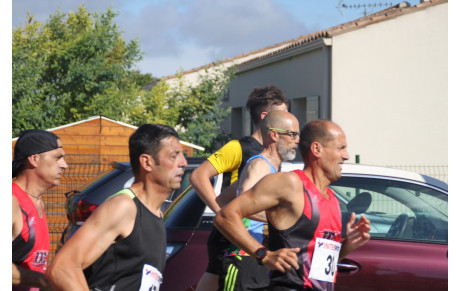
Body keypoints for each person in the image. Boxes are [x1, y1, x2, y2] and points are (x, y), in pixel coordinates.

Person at [214, 120, 371, 290]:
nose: (346, 156)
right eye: (340, 148)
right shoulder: (290, 183)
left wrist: (347, 246)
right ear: (317, 149)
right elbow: (225, 216)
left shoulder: (332, 198)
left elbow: (315, 267)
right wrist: (263, 254)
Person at [46, 124, 188, 291]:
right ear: (147, 162)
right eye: (174, 156)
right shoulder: (123, 207)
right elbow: (62, 268)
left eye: (182, 156)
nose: (184, 163)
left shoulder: (156, 213)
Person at [190, 84, 289, 291]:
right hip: (233, 241)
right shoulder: (240, 148)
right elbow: (198, 176)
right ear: (265, 117)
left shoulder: (272, 155)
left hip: (247, 241)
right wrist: (224, 215)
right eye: (283, 114)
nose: (288, 122)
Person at [218, 111, 299, 291]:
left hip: (259, 257)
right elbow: (243, 206)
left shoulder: (267, 168)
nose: (297, 140)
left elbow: (222, 200)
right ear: (274, 135)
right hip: (245, 258)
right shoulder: (260, 165)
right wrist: (285, 221)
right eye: (292, 134)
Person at [12, 129, 68, 291]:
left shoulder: (37, 203)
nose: (64, 165)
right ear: (35, 159)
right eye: (58, 157)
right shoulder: (11, 201)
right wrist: (46, 282)